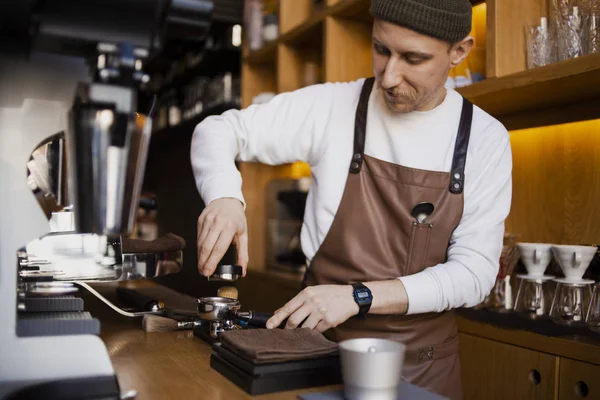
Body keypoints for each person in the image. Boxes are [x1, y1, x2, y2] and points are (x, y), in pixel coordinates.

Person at [191, 0, 512, 398]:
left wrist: (359, 296)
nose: (390, 76)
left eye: (413, 58)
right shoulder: (334, 107)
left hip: (422, 371)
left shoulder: (484, 139)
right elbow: (217, 130)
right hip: (317, 357)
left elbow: (475, 275)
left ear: (459, 52)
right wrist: (225, 195)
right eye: (381, 49)